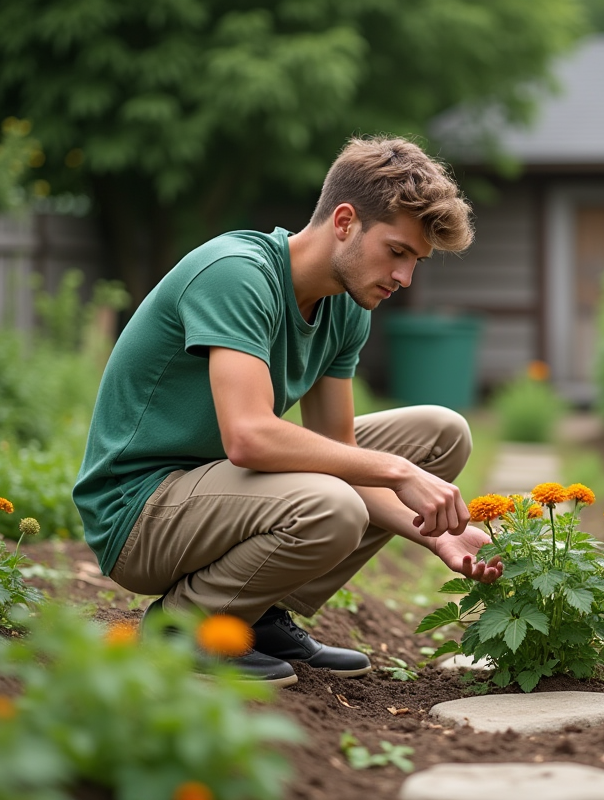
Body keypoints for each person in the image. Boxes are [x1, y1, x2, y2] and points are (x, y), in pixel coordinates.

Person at [73, 137, 503, 687]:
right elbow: (250, 438)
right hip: (138, 511)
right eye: (396, 252)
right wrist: (399, 472)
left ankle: (257, 609)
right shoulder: (236, 274)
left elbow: (341, 453)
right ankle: (186, 628)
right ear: (344, 221)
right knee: (338, 501)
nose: (404, 279)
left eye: (415, 262)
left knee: (439, 436)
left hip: (220, 491)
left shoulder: (346, 309)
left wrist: (435, 536)